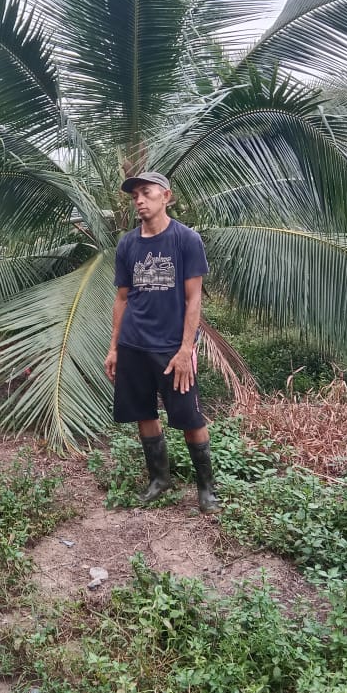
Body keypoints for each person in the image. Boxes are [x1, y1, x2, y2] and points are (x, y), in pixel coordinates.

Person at [103, 172, 222, 514]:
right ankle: (159, 479)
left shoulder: (185, 239)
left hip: (171, 348)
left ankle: (206, 488)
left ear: (165, 196)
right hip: (133, 343)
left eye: (146, 192)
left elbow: (194, 298)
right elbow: (122, 299)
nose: (139, 200)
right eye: (134, 195)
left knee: (190, 417)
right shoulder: (127, 244)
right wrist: (114, 348)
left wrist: (187, 349)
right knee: (143, 412)